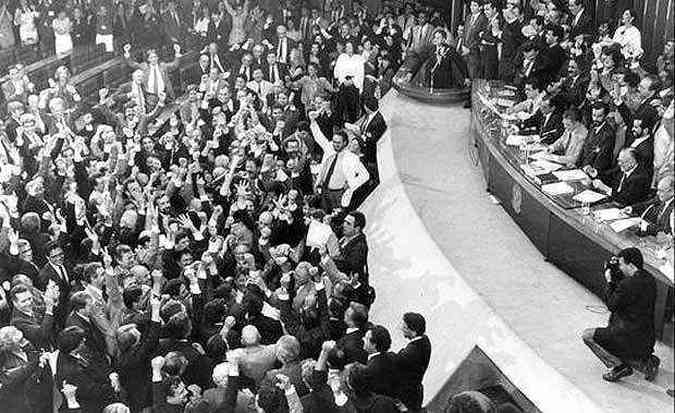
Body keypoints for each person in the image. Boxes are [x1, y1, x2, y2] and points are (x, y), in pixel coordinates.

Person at [582, 248, 659, 382]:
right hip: (647, 339)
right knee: (618, 322)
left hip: (628, 338)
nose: (620, 267)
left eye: (621, 264)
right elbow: (630, 292)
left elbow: (611, 305)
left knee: (587, 335)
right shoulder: (649, 279)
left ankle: (619, 367)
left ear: (630, 265)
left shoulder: (627, 285)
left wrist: (610, 281)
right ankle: (646, 362)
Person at [396, 312, 431, 412]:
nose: (401, 328)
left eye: (404, 327)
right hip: (416, 393)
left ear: (414, 332)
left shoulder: (409, 353)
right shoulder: (425, 340)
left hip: (407, 397)